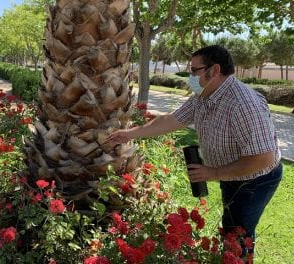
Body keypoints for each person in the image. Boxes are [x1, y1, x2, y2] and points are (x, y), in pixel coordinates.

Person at [108, 45, 282, 257]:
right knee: (230, 229)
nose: (190, 76)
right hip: (232, 173)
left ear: (214, 70)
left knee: (238, 234)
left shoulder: (243, 104)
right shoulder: (204, 95)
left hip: (257, 179)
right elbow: (171, 120)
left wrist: (214, 173)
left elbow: (263, 159)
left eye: (194, 71)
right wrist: (130, 134)